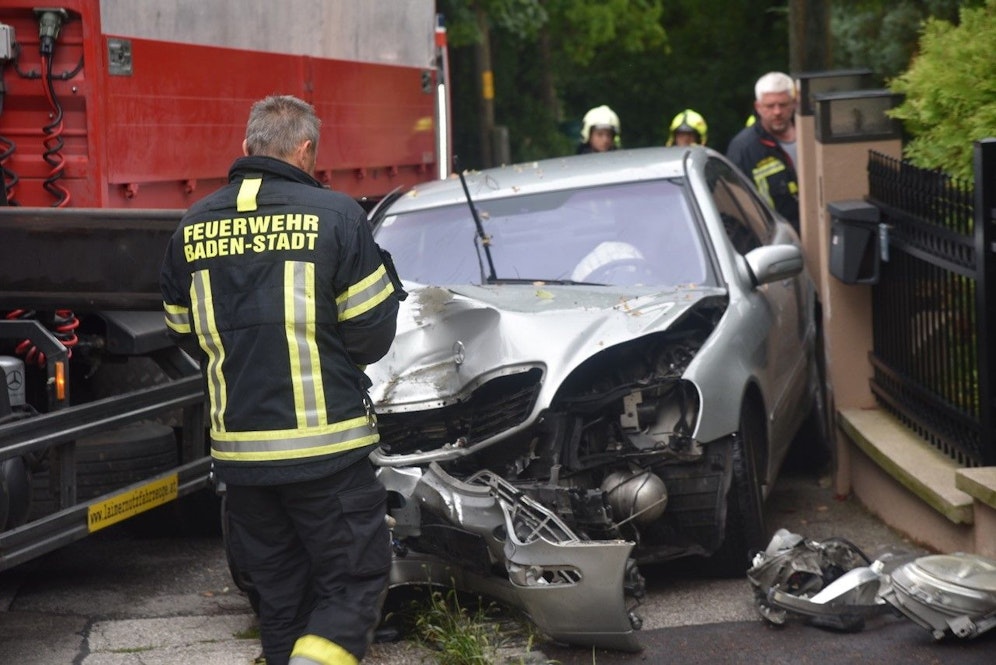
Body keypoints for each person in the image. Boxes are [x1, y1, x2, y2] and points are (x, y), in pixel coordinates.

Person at [160, 95, 403, 665]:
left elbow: (183, 332)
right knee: (354, 583)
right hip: (329, 457)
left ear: (245, 149)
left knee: (281, 600)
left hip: (242, 464)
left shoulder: (191, 227)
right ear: (306, 151)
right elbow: (370, 334)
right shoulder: (338, 218)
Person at [726, 71, 800, 231]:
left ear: (794, 103)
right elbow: (737, 207)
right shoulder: (743, 149)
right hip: (777, 241)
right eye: (770, 106)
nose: (777, 112)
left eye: (783, 104)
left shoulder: (811, 136)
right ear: (758, 107)